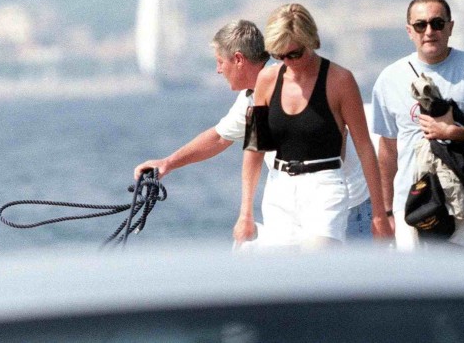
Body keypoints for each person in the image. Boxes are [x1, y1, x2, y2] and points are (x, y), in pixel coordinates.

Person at [133, 19, 375, 242]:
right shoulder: (251, 96)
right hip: (295, 203)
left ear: (238, 59)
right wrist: (167, 163)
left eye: (220, 62)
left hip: (347, 204)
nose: (218, 70)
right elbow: (219, 137)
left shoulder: (293, 80)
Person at [233, 3, 393, 248]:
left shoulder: (340, 80)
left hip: (325, 187)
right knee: (281, 269)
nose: (288, 62)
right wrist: (245, 212)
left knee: (319, 263)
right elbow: (255, 148)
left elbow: (364, 148)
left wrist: (379, 214)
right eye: (279, 56)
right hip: (279, 189)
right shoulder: (266, 80)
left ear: (310, 41)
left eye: (294, 54)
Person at [371, 0, 464, 252]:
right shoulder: (389, 79)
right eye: (420, 25)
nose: (429, 31)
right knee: (419, 279)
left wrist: (455, 132)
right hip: (416, 205)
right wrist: (386, 211)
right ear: (409, 31)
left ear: (450, 27)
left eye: (437, 23)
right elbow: (388, 150)